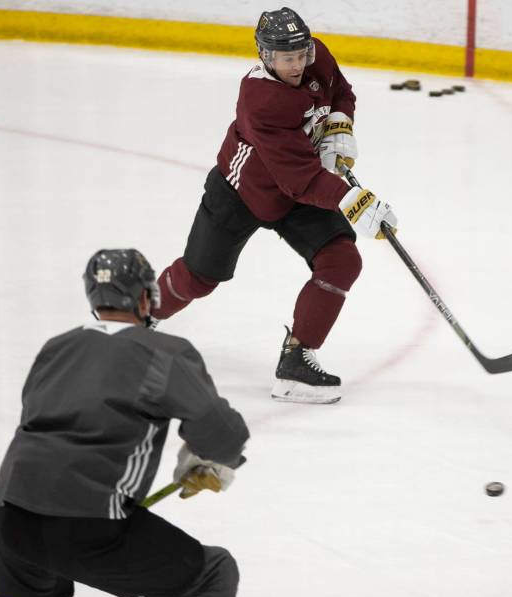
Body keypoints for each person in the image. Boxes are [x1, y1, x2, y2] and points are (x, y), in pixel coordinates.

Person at [0, 249, 249, 597]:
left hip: (10, 515)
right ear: (145, 298)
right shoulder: (163, 352)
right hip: (86, 523)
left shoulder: (56, 348)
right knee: (213, 577)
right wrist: (204, 459)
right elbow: (223, 433)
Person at [151, 6, 398, 404]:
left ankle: (296, 364)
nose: (298, 64)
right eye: (287, 58)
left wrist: (338, 126)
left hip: (298, 189)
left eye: (301, 55)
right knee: (198, 277)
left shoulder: (317, 56)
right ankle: (139, 314)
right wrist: (352, 200)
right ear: (265, 56)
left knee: (341, 259)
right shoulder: (261, 99)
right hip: (241, 193)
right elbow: (298, 178)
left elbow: (341, 93)